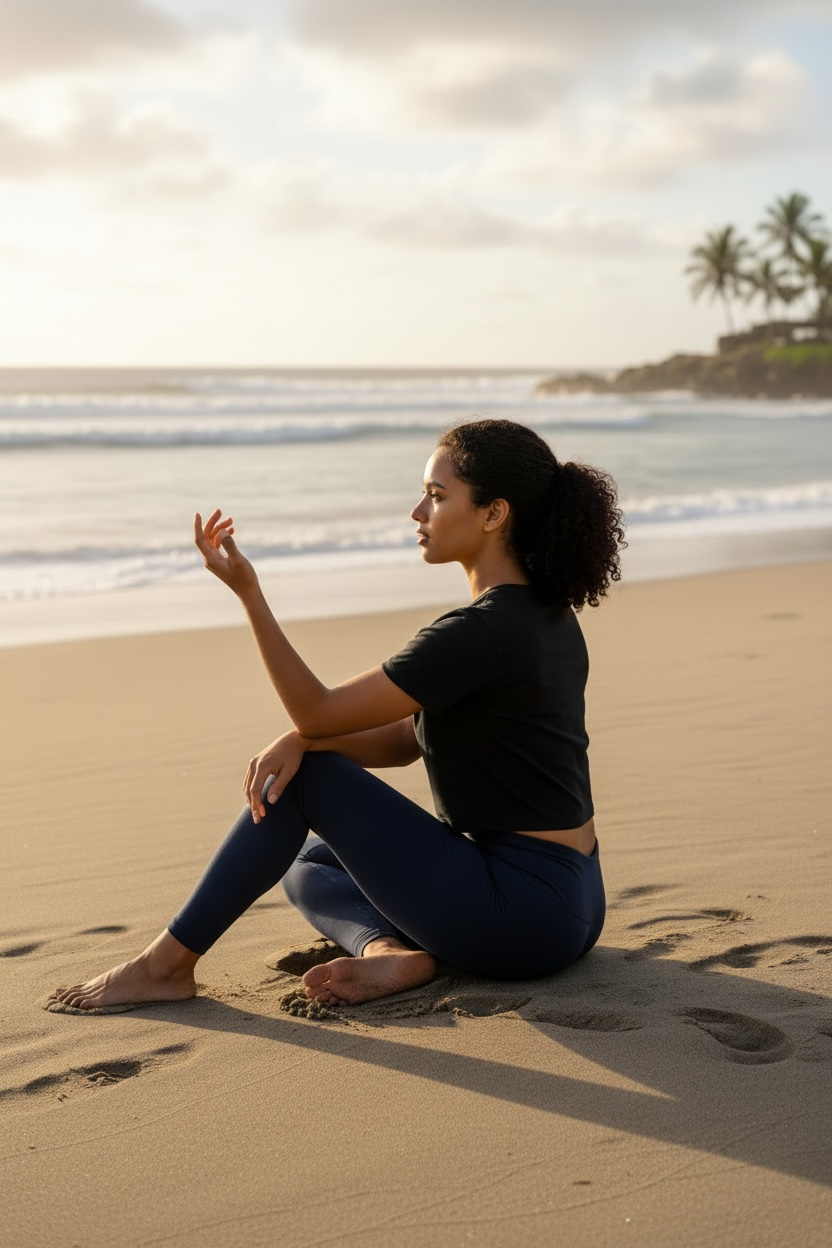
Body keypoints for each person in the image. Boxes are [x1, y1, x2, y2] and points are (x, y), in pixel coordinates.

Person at [53, 418, 625, 1012]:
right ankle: (385, 951)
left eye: (435, 496)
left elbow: (319, 708)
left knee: (305, 786)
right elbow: (408, 737)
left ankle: (165, 967)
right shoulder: (543, 615)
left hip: (519, 916)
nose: (417, 513)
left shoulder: (478, 632)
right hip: (575, 901)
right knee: (307, 864)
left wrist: (250, 596)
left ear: (492, 513)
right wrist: (306, 738)